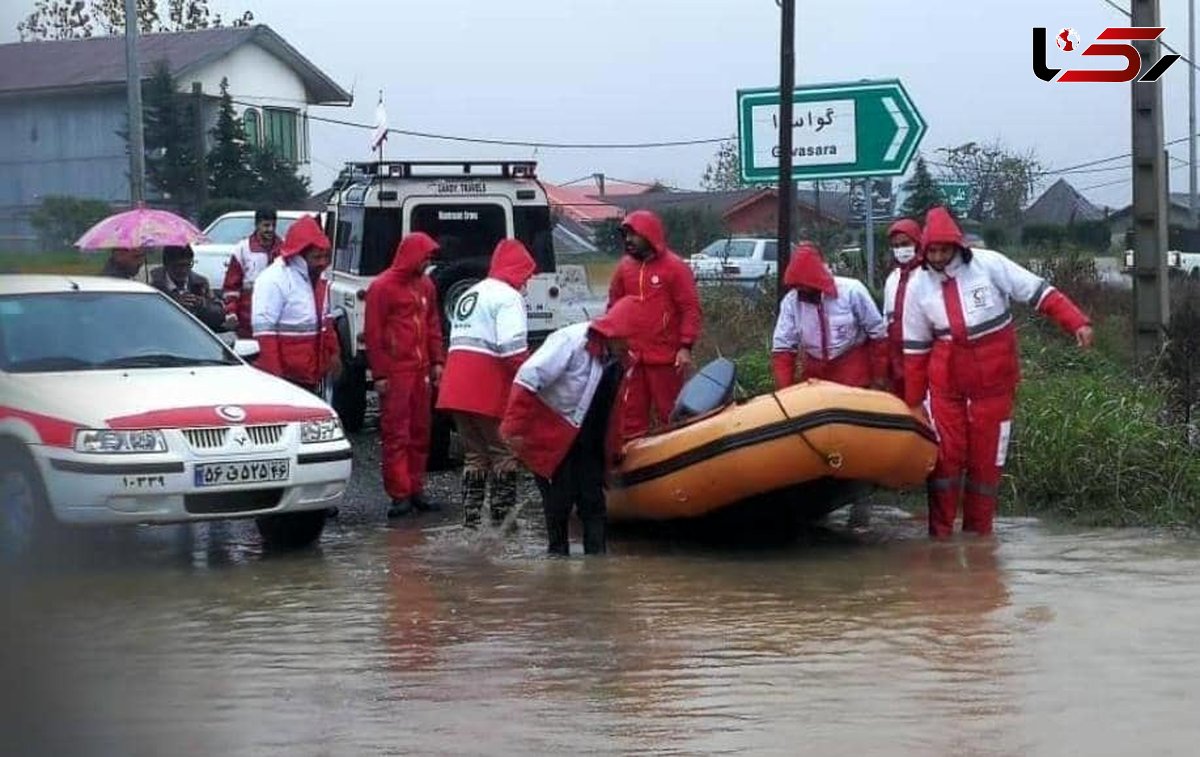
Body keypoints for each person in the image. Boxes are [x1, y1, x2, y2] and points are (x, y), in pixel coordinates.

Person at [902, 206, 1093, 539]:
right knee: (946, 461)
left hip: (995, 381)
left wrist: (1076, 321)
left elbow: (1039, 293)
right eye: (931, 250)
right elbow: (915, 350)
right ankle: (940, 536)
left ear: (956, 247)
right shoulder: (918, 285)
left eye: (943, 250)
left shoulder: (990, 264)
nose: (937, 257)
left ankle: (979, 536)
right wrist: (914, 403)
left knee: (986, 463)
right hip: (947, 384)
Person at [500, 295, 648, 556]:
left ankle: (596, 564)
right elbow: (527, 379)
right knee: (559, 501)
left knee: (594, 503)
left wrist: (615, 447)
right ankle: (557, 558)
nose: (631, 347)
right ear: (617, 333)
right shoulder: (570, 341)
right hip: (552, 432)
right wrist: (513, 430)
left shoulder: (621, 359)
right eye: (628, 340)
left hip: (588, 437)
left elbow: (614, 409)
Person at [435, 238, 537, 530]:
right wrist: (532, 382)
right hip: (486, 386)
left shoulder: (474, 292)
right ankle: (504, 524)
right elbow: (511, 348)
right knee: (503, 453)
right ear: (518, 270)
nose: (526, 283)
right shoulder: (508, 297)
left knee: (475, 455)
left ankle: (472, 523)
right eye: (526, 275)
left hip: (456, 387)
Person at [364, 232, 446, 519]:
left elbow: (433, 324)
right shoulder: (382, 288)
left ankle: (415, 488)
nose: (428, 262)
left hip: (421, 370)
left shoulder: (425, 285)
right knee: (396, 433)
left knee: (421, 431)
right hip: (397, 372)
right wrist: (380, 374)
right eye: (425, 257)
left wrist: (437, 361)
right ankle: (400, 493)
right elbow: (373, 334)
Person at [606, 209, 702, 441]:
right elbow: (613, 306)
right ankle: (633, 464)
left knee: (670, 413)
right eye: (625, 235)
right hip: (632, 357)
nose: (628, 241)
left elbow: (690, 309)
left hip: (666, 358)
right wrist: (611, 339)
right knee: (630, 416)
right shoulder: (624, 269)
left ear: (649, 235)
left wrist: (685, 347)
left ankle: (677, 457)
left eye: (633, 235)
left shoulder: (675, 268)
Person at [770, 241, 888, 390]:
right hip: (815, 377)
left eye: (805, 285)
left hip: (854, 374)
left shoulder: (852, 291)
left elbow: (878, 334)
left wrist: (879, 376)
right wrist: (784, 391)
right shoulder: (791, 301)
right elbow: (783, 348)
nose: (801, 290)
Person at [250, 215, 341, 393]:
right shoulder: (273, 279)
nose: (323, 263)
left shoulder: (317, 279)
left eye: (325, 256)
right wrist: (274, 380)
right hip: (287, 378)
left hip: (312, 374)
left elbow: (326, 322)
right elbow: (265, 335)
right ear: (299, 255)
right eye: (317, 257)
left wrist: (334, 354)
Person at [223, 206, 282, 338]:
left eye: (273, 225)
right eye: (266, 225)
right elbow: (231, 286)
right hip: (247, 318)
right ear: (257, 225)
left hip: (276, 315)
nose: (270, 229)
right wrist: (231, 311)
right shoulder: (242, 249)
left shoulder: (284, 250)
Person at [881, 218, 924, 399]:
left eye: (905, 244)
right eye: (896, 246)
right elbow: (887, 317)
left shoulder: (928, 274)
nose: (901, 250)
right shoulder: (893, 278)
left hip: (921, 352)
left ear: (917, 242)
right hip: (896, 354)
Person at [151, 245, 226, 331]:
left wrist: (202, 305)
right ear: (166, 265)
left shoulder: (200, 283)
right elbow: (151, 318)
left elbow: (219, 314)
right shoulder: (155, 286)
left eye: (188, 265)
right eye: (178, 266)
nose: (183, 270)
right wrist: (174, 305)